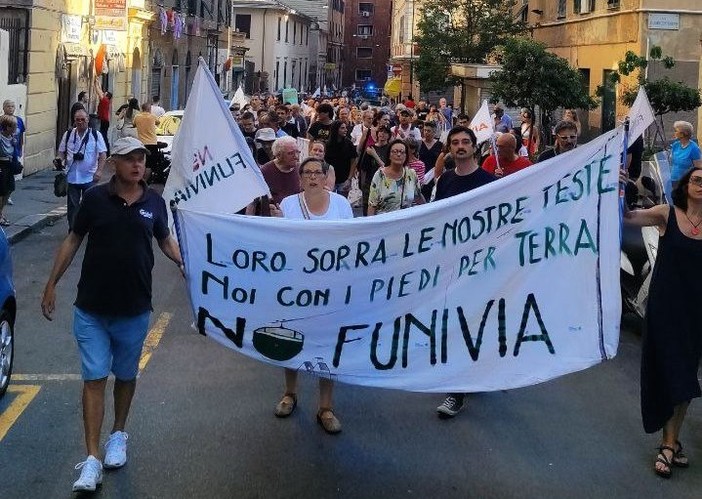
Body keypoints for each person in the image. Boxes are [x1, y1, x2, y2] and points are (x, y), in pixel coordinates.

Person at [41, 136, 183, 493]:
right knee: (93, 378)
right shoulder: (94, 198)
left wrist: (186, 262)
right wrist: (51, 283)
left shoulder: (154, 201)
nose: (138, 165)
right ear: (114, 163)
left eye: (142, 159)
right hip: (91, 307)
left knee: (125, 376)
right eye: (130, 159)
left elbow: (164, 239)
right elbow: (73, 239)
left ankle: (118, 434)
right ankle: (91, 459)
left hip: (135, 307)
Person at [622, 167, 702, 478]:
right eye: (696, 179)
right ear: (686, 184)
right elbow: (627, 218)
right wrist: (621, 188)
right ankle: (670, 444)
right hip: (666, 306)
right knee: (666, 369)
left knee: (684, 375)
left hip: (696, 311)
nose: (700, 185)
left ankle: (670, 443)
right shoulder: (667, 213)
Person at [275, 157, 353, 434]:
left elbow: (350, 243)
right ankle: (290, 393)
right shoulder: (288, 205)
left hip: (331, 287)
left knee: (327, 345)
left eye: (317, 172)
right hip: (295, 286)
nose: (312, 178)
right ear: (300, 177)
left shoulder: (342, 205)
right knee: (290, 339)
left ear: (325, 176)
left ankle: (325, 407)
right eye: (306, 173)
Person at [434, 126, 496, 418]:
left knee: (475, 323)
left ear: (475, 147)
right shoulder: (445, 180)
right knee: (455, 322)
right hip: (450, 266)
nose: (460, 146)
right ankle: (457, 388)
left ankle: (468, 377)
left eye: (465, 142)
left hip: (480, 266)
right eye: (455, 142)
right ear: (449, 148)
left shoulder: (488, 182)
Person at [57, 109, 107, 230]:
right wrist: (59, 159)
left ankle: (88, 227)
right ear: (74, 121)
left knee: (89, 204)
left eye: (83, 119)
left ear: (88, 120)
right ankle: (73, 231)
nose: (80, 122)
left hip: (90, 176)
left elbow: (102, 154)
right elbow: (61, 151)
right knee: (72, 206)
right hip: (72, 176)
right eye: (77, 120)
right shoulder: (68, 134)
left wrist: (99, 171)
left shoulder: (95, 135)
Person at [367, 139, 424, 215]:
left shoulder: (411, 174)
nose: (399, 154)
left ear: (406, 156)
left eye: (402, 152)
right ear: (389, 155)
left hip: (405, 223)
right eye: (395, 151)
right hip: (384, 223)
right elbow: (372, 205)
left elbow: (418, 197)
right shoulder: (379, 175)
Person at [246, 136, 301, 213]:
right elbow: (252, 201)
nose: (296, 156)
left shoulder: (301, 169)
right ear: (278, 155)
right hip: (272, 219)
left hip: (296, 217)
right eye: (290, 153)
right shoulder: (265, 171)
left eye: (298, 152)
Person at [324, 120, 358, 194]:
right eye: (342, 128)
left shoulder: (348, 143)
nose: (345, 130)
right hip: (329, 179)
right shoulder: (327, 145)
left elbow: (353, 161)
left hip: (344, 179)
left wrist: (349, 179)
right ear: (336, 129)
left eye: (346, 128)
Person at [132, 102, 160, 173]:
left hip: (141, 144)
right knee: (149, 165)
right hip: (152, 143)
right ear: (149, 109)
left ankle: (140, 179)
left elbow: (134, 124)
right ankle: (145, 181)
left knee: (141, 163)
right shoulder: (153, 117)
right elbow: (158, 122)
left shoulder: (137, 117)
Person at [0, 115, 17, 225]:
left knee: (10, 188)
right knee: (1, 191)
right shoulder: (0, 138)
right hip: (1, 164)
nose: (15, 129)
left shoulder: (12, 138)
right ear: (7, 127)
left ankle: (1, 212)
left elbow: (15, 151)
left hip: (10, 164)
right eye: (13, 126)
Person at [95, 84, 113, 156]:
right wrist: (98, 82)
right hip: (105, 120)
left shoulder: (105, 100)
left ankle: (106, 152)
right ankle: (106, 151)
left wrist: (95, 84)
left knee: (103, 136)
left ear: (107, 95)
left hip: (104, 121)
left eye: (105, 93)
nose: (103, 93)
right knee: (103, 136)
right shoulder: (107, 100)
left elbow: (99, 92)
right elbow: (101, 91)